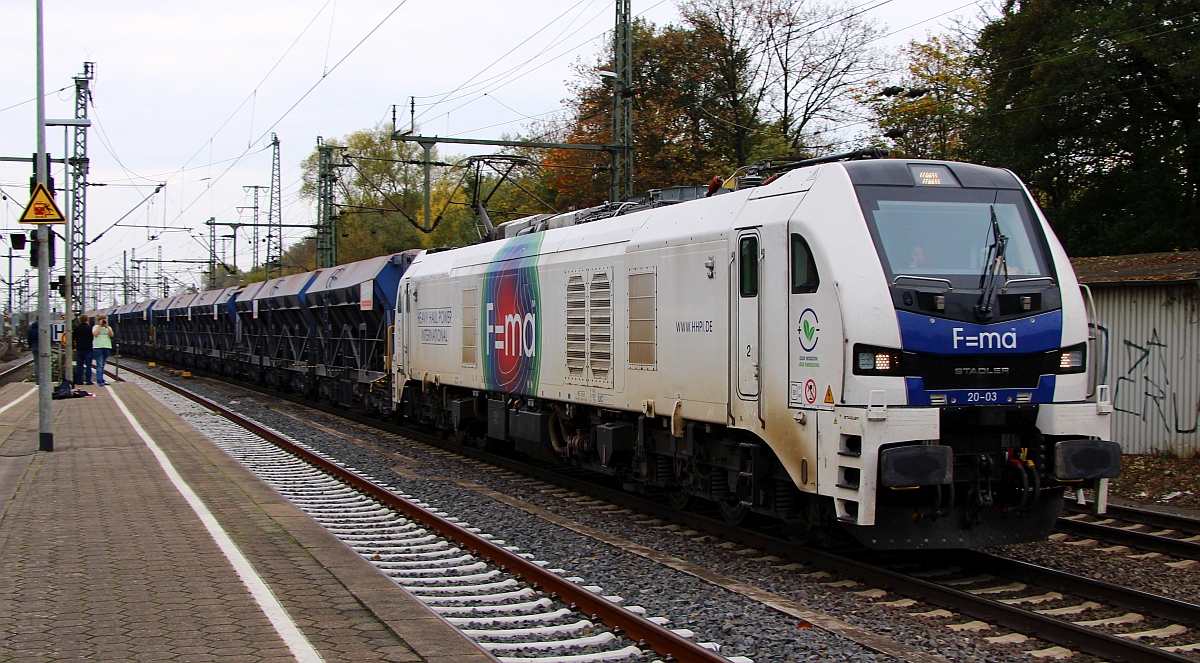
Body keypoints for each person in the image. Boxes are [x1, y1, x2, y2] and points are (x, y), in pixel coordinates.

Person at [92, 315, 115, 386]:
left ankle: (102, 379)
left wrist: (107, 326)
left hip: (107, 347)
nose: (104, 321)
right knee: (99, 365)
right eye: (103, 320)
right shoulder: (95, 327)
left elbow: (112, 335)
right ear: (99, 321)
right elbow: (95, 334)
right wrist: (100, 326)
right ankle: (99, 381)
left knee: (103, 365)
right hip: (98, 347)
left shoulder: (108, 328)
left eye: (105, 320)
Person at [73, 313, 94, 385]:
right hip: (88, 349)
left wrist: (73, 347)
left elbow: (73, 338)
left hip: (79, 349)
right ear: (87, 320)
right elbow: (92, 338)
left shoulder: (77, 329)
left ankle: (79, 381)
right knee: (88, 366)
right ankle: (88, 380)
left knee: (79, 366)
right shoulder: (90, 328)